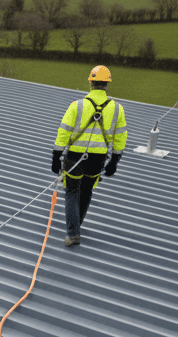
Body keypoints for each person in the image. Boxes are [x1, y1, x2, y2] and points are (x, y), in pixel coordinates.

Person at [51, 65, 128, 246]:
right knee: (86, 192)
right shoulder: (117, 109)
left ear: (91, 83)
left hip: (75, 157)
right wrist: (114, 161)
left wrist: (56, 157)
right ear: (106, 85)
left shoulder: (77, 106)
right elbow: (120, 137)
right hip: (98, 159)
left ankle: (73, 233)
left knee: (71, 192)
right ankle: (76, 227)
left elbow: (63, 132)